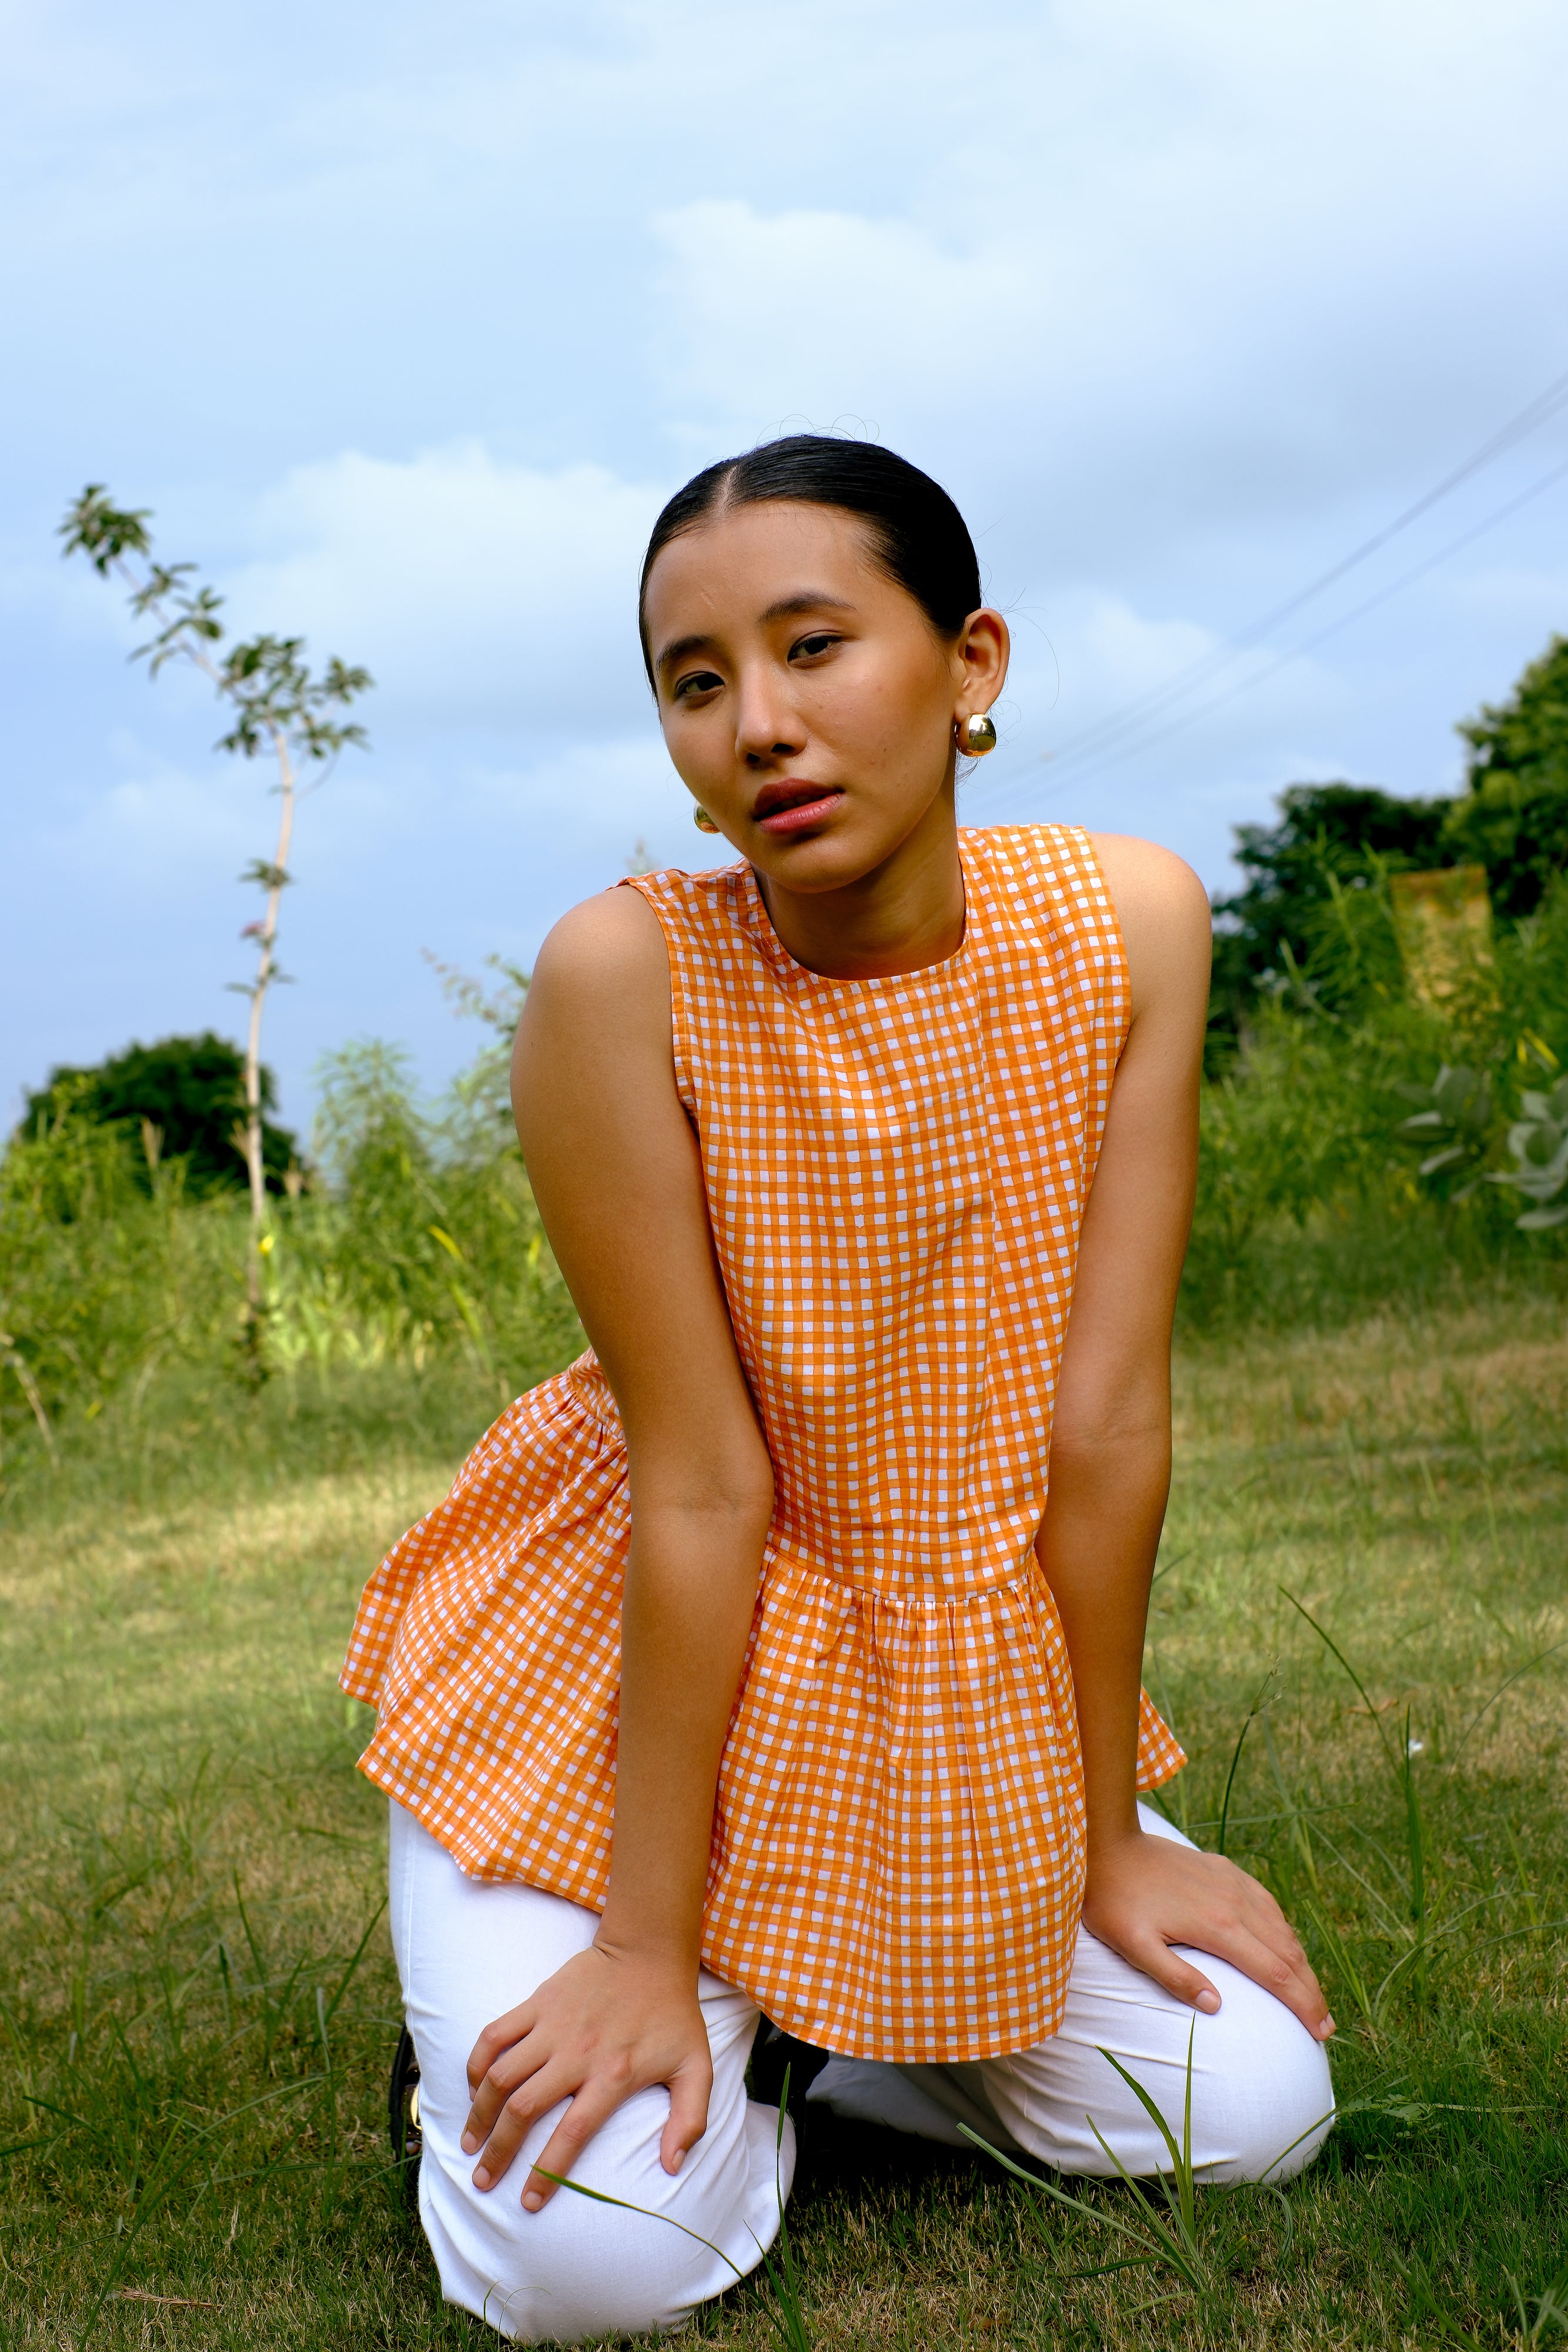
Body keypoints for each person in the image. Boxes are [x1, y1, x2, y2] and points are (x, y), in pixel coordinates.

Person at [340, 435, 1335, 2343]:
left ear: (970, 667)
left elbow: (1107, 1423)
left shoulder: (1126, 924)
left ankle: (824, 2043)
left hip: (942, 1666)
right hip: (632, 1652)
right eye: (695, 681)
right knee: (585, 2269)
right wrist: (640, 1947)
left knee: (1248, 2110)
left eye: (814, 648)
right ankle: (570, 2020)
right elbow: (701, 1486)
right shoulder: (622, 974)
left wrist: (1111, 1835)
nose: (759, 728)